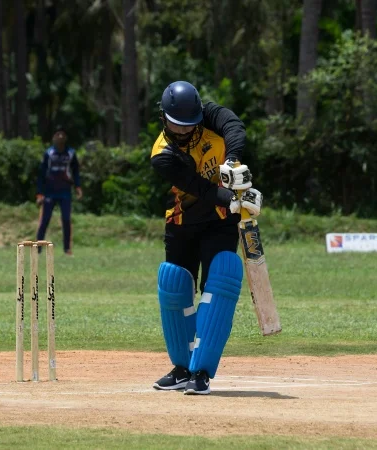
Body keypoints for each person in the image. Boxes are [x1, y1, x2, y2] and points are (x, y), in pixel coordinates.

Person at [150, 80, 262, 395]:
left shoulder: (208, 115)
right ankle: (182, 368)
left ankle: (201, 371)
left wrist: (233, 160)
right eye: (176, 125)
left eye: (189, 125)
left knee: (220, 281)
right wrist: (234, 198)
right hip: (183, 222)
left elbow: (234, 126)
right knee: (174, 285)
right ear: (164, 117)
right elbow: (199, 187)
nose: (184, 131)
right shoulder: (163, 155)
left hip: (219, 223)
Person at [36, 125, 83, 255]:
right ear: (53, 137)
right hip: (50, 191)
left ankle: (67, 248)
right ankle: (38, 247)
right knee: (45, 219)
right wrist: (39, 194)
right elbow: (41, 174)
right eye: (58, 134)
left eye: (62, 134)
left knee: (66, 219)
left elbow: (76, 172)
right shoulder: (49, 154)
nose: (60, 137)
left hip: (65, 192)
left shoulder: (71, 153)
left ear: (66, 137)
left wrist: (78, 187)